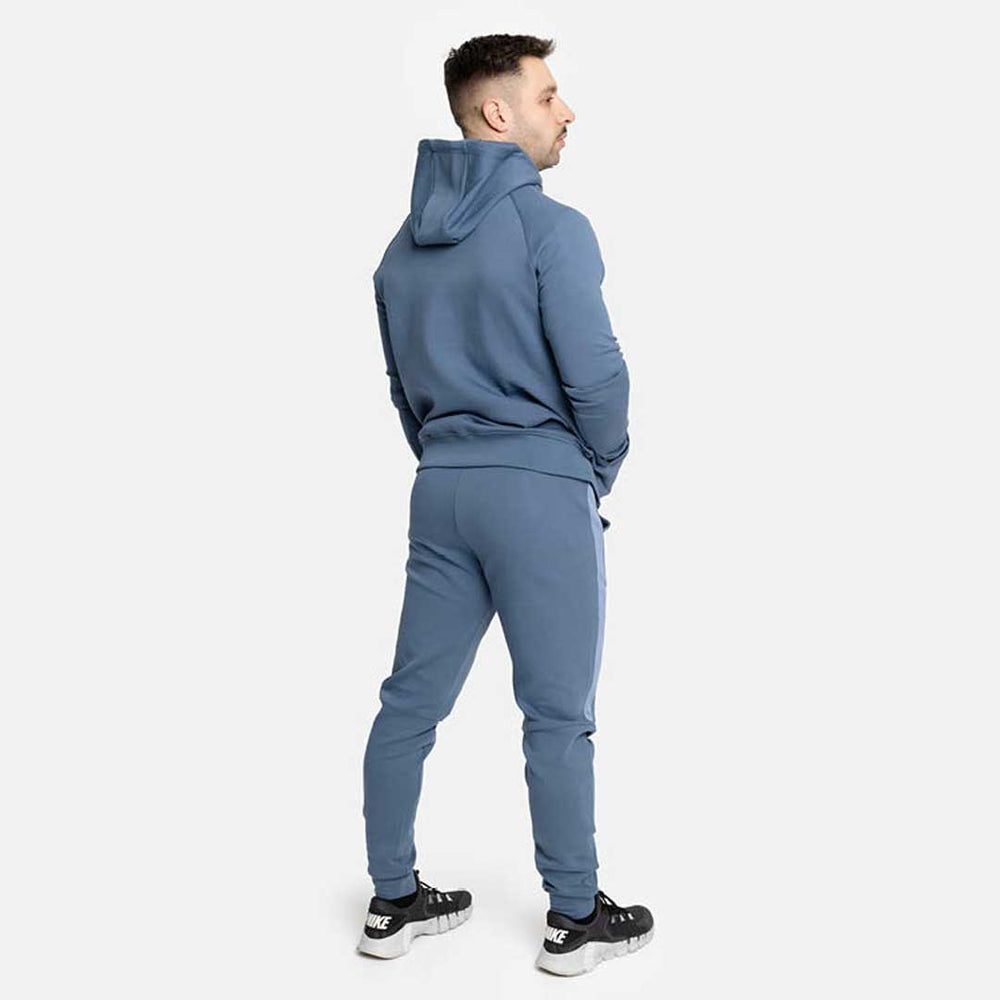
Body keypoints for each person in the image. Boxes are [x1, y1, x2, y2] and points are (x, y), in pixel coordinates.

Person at [357, 34, 653, 976]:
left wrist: (453, 457)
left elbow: (404, 389)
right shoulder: (550, 228)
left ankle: (391, 903)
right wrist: (591, 467)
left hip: (442, 490)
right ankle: (575, 919)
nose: (567, 111)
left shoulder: (398, 253)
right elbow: (598, 377)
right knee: (556, 714)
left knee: (409, 702)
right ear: (497, 113)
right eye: (549, 95)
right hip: (539, 488)